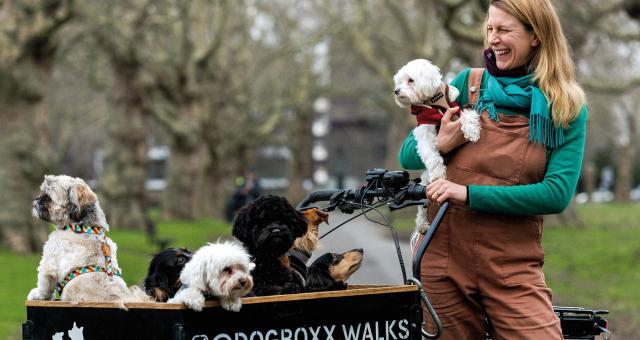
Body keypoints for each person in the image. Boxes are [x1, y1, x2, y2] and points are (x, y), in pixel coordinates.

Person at [398, 0, 587, 338]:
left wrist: (467, 193)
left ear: (536, 36)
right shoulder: (468, 85)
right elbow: (408, 156)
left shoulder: (566, 107)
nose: (493, 39)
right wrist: (442, 142)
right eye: (489, 29)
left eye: (504, 30)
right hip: (442, 263)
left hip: (511, 268)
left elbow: (555, 194)